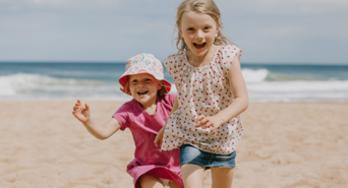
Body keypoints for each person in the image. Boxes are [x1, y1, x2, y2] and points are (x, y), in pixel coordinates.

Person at [154, 0, 248, 188]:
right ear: (181, 30)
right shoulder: (178, 63)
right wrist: (167, 126)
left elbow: (242, 99)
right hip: (191, 138)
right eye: (191, 29)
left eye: (206, 28)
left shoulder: (226, 57)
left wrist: (218, 119)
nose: (199, 35)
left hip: (223, 139)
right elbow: (183, 97)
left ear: (217, 27)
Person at [72, 53, 184, 188]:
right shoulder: (128, 110)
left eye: (147, 80)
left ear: (159, 84)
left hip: (177, 167)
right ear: (128, 87)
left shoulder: (171, 101)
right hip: (147, 168)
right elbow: (103, 133)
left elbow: (189, 98)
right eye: (134, 81)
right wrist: (87, 121)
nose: (140, 85)